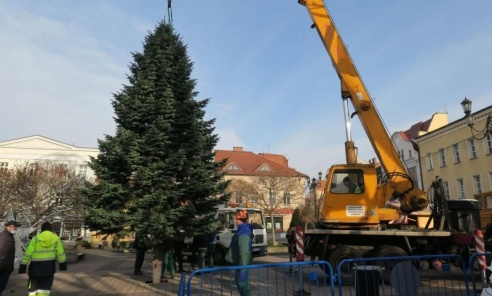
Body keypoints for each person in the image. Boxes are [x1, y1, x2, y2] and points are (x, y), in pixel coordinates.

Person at [18, 221, 67, 295]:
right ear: (51, 229)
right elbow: (60, 253)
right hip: (49, 268)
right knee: (44, 289)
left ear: (42, 229)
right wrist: (62, 264)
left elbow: (28, 253)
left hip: (35, 268)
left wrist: (23, 265)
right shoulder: (56, 239)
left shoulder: (36, 238)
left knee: (33, 289)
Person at [228, 209, 252, 296]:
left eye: (237, 220)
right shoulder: (242, 230)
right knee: (242, 285)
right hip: (240, 263)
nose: (236, 221)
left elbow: (244, 251)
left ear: (241, 220)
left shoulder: (243, 232)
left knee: (244, 287)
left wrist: (243, 268)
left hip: (241, 264)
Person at [0, 220, 20, 296]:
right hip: (3, 267)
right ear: (8, 226)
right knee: (1, 286)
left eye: (16, 227)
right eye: (14, 227)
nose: (15, 229)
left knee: (1, 287)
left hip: (6, 266)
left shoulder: (9, 236)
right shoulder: (3, 237)